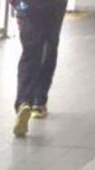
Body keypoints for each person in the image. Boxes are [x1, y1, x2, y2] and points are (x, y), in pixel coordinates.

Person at [12, 0, 68, 137]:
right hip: (54, 5)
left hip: (28, 4)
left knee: (30, 51)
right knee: (49, 47)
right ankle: (39, 101)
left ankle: (24, 102)